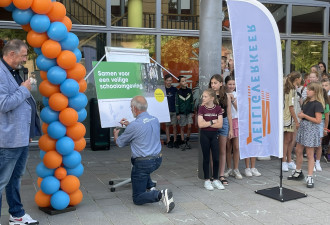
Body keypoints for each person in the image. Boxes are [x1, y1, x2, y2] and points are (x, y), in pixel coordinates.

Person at [0, 39, 41, 225]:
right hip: (8, 139)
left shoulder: (13, 71)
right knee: (2, 181)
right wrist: (25, 90)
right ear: (11, 54)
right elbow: (4, 104)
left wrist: (28, 128)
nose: (25, 59)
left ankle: (16, 214)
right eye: (23, 55)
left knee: (15, 178)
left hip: (21, 135)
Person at [113, 96, 175, 213]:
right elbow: (142, 128)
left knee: (137, 197)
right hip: (157, 160)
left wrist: (116, 134)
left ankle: (160, 195)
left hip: (144, 164)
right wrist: (130, 125)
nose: (131, 110)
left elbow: (119, 143)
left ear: (135, 109)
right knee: (137, 162)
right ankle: (150, 186)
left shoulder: (134, 126)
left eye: (131, 107)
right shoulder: (155, 120)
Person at [288, 82, 324, 188]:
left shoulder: (317, 104)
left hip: (311, 129)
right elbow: (303, 113)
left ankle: (310, 176)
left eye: (310, 90)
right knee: (298, 150)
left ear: (315, 92)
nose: (307, 91)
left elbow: (318, 120)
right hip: (304, 128)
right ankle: (298, 171)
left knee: (309, 153)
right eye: (307, 89)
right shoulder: (306, 102)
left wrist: (304, 116)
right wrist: (300, 116)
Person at [209, 74, 233, 185]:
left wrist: (231, 129)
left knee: (223, 150)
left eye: (215, 83)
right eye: (212, 83)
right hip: (212, 124)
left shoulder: (226, 96)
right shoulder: (209, 95)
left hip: (224, 123)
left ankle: (221, 175)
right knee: (213, 150)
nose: (213, 85)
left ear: (221, 83)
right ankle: (214, 175)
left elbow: (229, 114)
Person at [198, 89, 224, 191]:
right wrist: (213, 121)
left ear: (212, 98)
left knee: (216, 158)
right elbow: (200, 125)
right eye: (203, 96)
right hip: (204, 135)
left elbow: (220, 124)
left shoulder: (218, 108)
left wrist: (207, 123)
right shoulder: (201, 109)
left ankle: (216, 179)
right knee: (206, 158)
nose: (203, 98)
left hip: (214, 135)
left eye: (205, 96)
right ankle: (207, 180)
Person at [282, 72, 301, 172]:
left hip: (290, 118)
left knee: (290, 140)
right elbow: (291, 107)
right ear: (297, 79)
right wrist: (296, 121)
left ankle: (289, 160)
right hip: (288, 118)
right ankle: (284, 161)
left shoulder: (293, 89)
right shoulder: (291, 90)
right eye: (300, 78)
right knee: (287, 140)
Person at [224, 76, 242, 179]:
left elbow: (239, 109)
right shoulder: (223, 95)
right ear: (226, 84)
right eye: (230, 84)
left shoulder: (237, 94)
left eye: (233, 84)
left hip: (236, 121)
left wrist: (233, 99)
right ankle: (229, 168)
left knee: (236, 146)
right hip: (227, 121)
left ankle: (236, 168)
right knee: (228, 146)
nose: (232, 86)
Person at [175, 76, 194, 151]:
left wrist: (192, 111)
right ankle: (183, 142)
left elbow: (192, 102)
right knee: (182, 127)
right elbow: (176, 104)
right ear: (179, 83)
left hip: (189, 112)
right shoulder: (178, 92)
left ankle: (187, 140)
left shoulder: (189, 91)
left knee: (189, 126)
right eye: (183, 81)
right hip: (181, 113)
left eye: (185, 81)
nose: (185, 82)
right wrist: (177, 113)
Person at [164, 74, 178, 148]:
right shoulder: (163, 90)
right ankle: (169, 141)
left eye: (170, 80)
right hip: (166, 111)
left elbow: (177, 101)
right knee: (167, 126)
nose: (169, 82)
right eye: (168, 80)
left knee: (174, 126)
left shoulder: (174, 89)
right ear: (165, 81)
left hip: (174, 110)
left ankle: (175, 141)